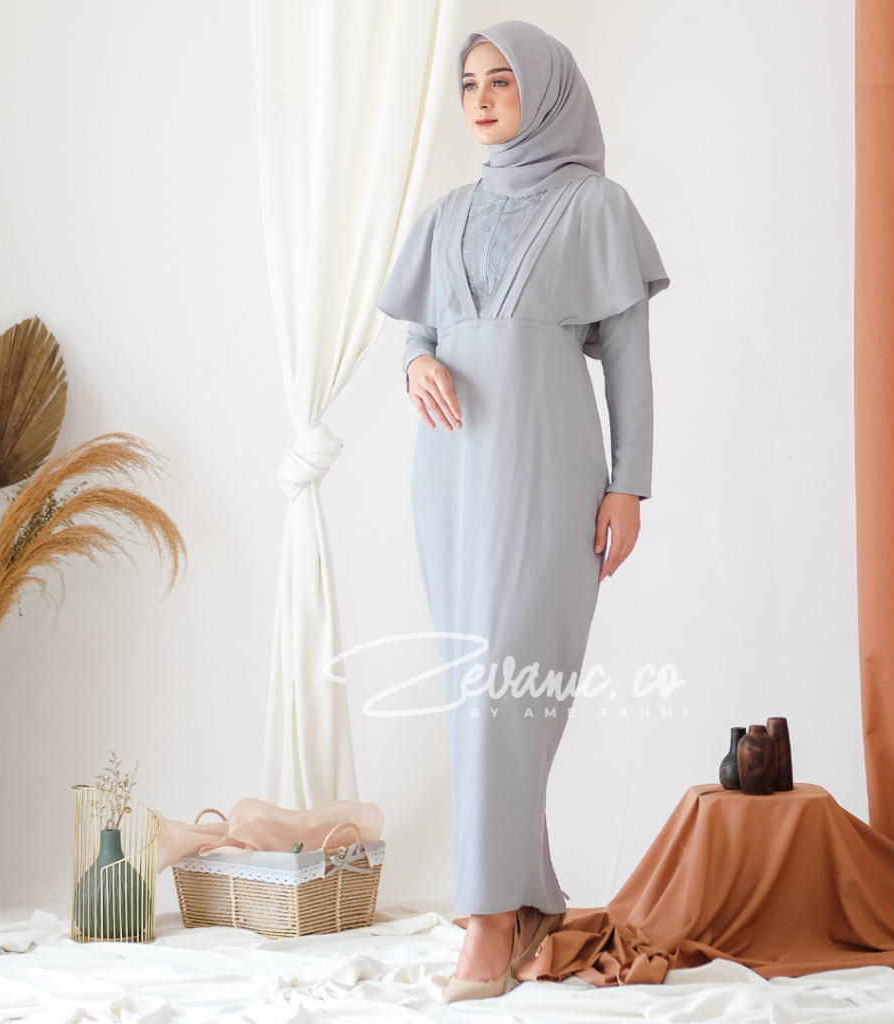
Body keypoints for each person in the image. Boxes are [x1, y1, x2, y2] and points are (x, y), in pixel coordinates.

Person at [377, 19, 669, 1003]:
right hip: (450, 478)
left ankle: (488, 922)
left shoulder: (597, 206)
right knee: (479, 694)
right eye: (468, 84)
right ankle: (525, 899)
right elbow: (417, 331)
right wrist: (416, 363)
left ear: (544, 91)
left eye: (501, 80)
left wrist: (629, 482)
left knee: (505, 688)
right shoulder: (447, 213)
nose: (481, 99)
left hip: (547, 473)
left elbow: (628, 361)